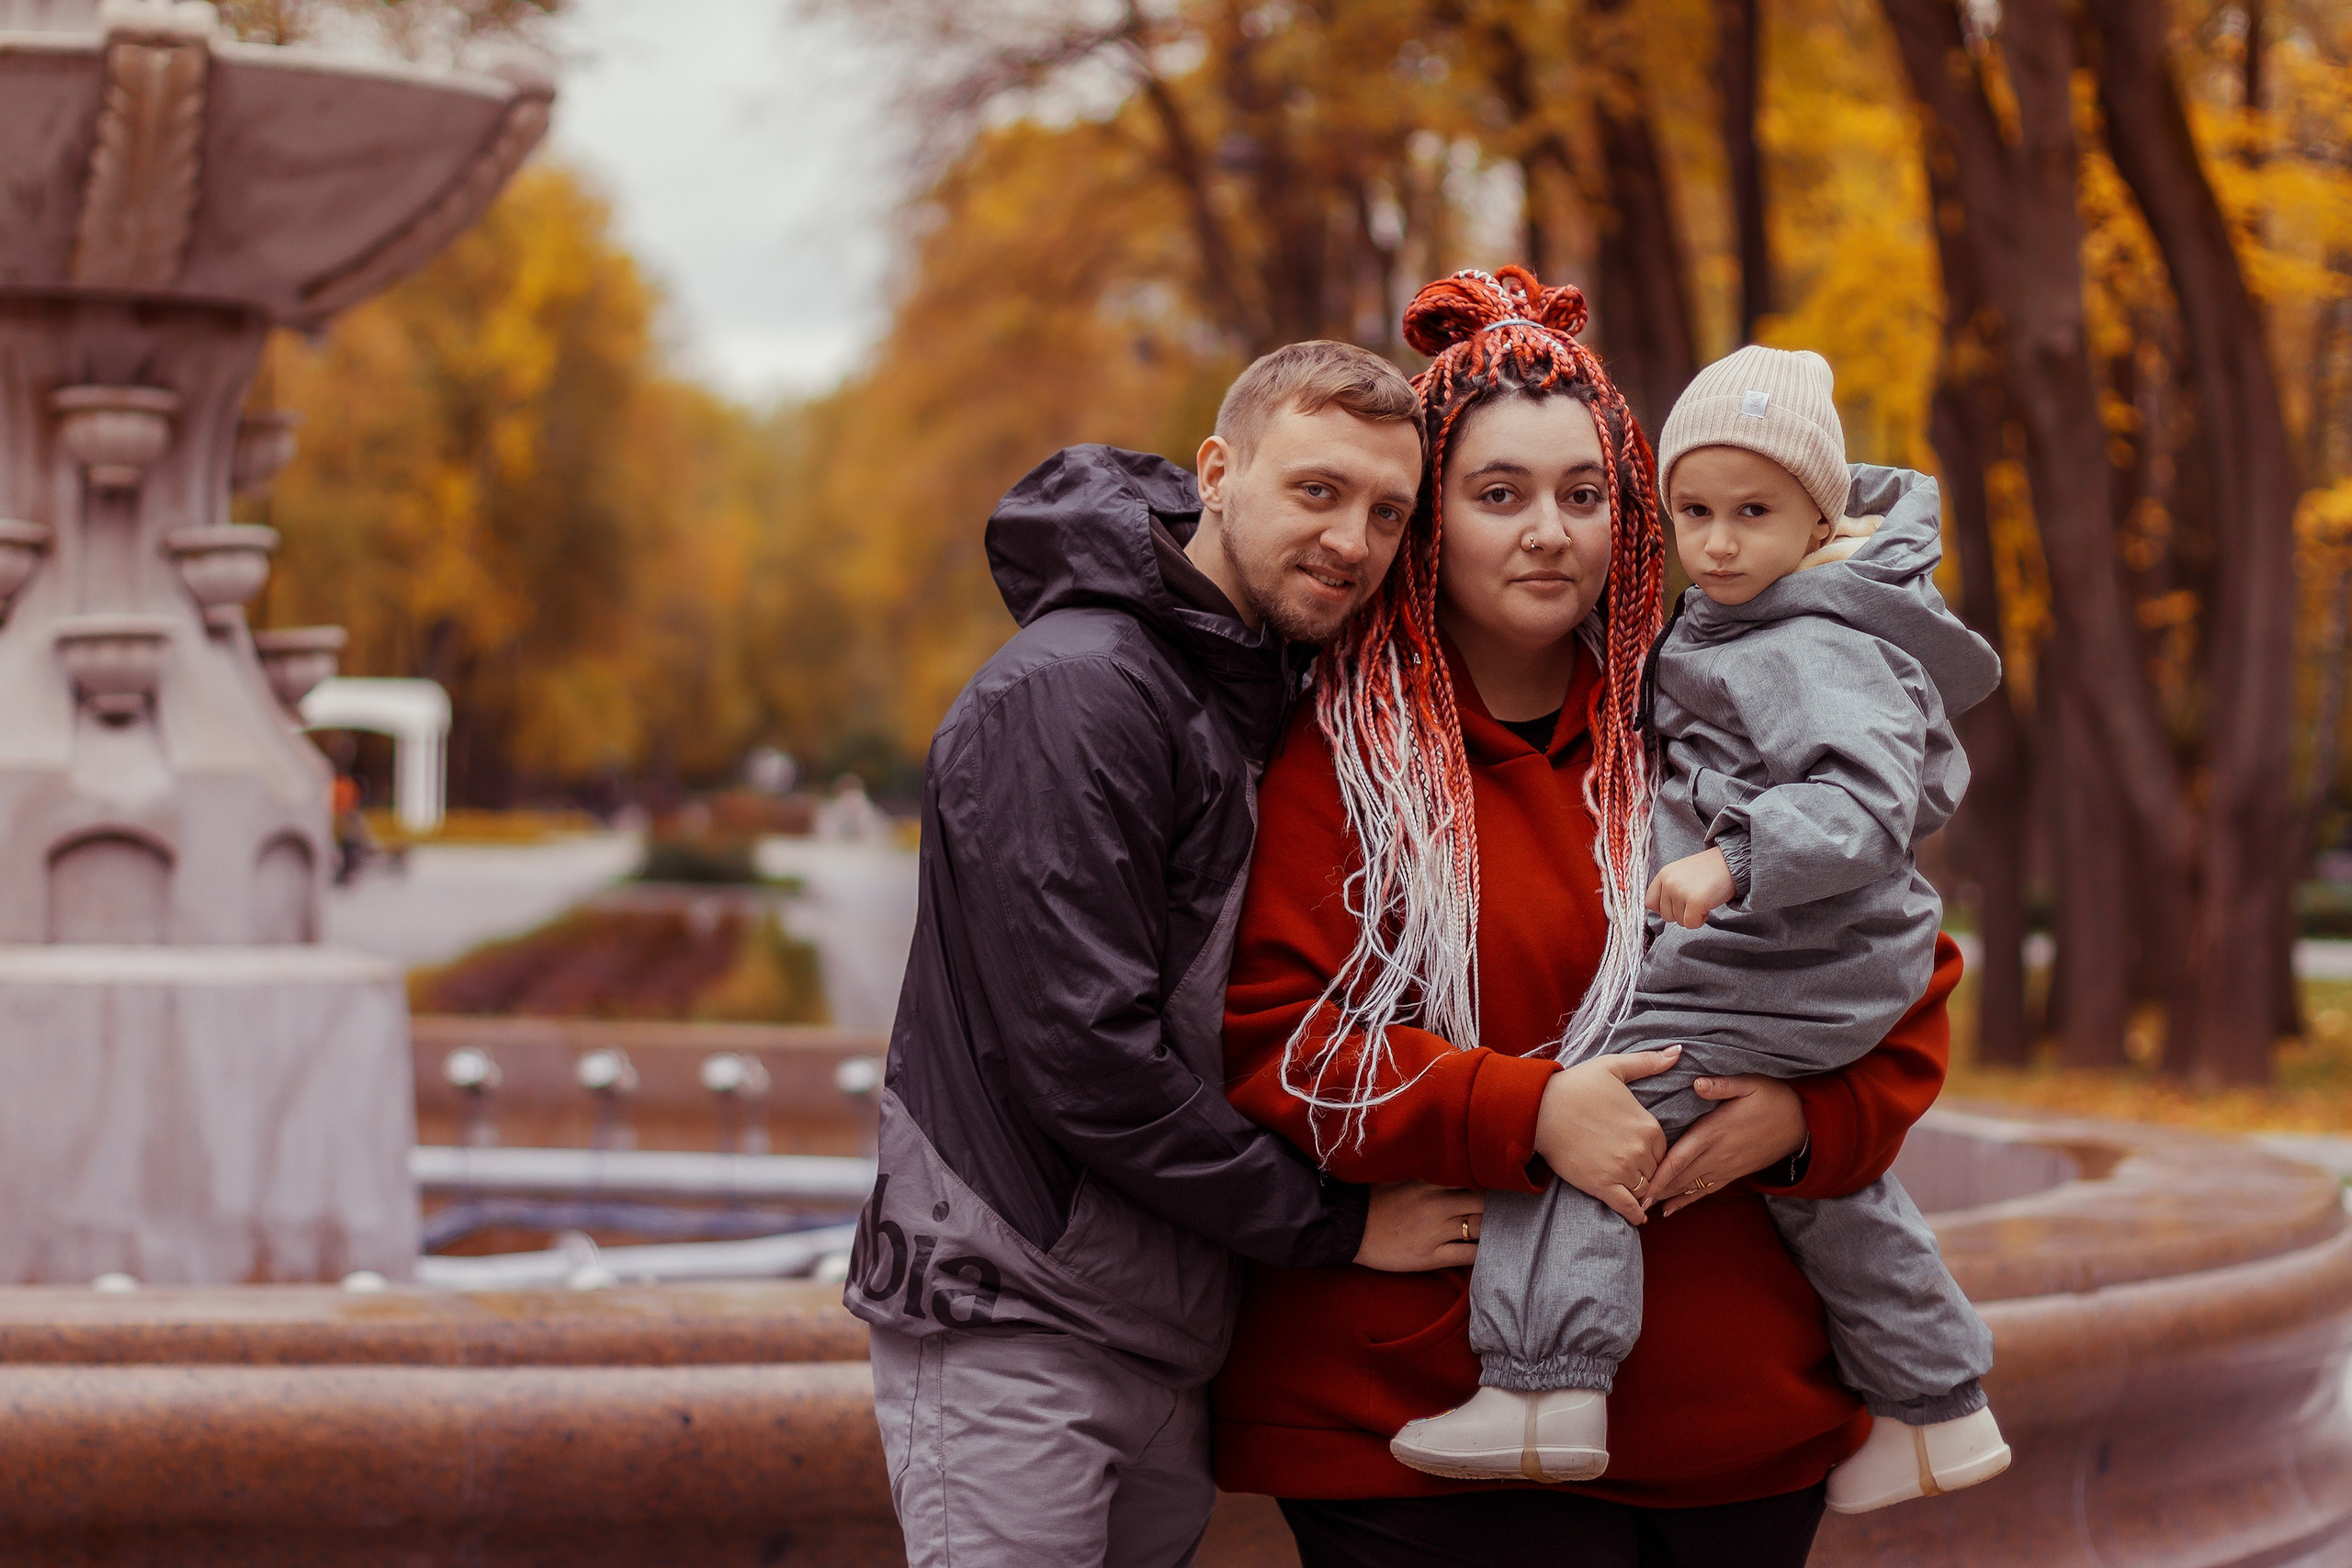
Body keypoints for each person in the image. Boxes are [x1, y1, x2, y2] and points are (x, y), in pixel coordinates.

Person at [1218, 268, 1965, 1568]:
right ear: (1429, 519)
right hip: (1415, 1425)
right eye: (1498, 493)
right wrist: (1527, 1107)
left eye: (1585, 494)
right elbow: (1281, 1038)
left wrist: (1805, 1121)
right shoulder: (1340, 756)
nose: (1548, 531)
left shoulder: (1721, 717)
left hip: (1736, 1420)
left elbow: (1894, 963)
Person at [846, 341, 1484, 1568]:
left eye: (1388, 511)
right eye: (1317, 490)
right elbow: (1087, 1055)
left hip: (1161, 1320)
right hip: (1013, 1318)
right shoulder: (1077, 691)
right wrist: (1337, 1225)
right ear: (1218, 471)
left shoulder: (1260, 693)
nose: (1353, 538)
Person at [1391, 344, 2008, 1512]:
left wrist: (1733, 862)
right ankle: (1936, 1406)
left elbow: (1865, 802)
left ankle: (1545, 1386)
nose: (1718, 544)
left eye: (1754, 514)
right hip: (1813, 959)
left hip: (1783, 951)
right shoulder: (1751, 624)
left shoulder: (1809, 639)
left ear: (1820, 518)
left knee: (1592, 1115)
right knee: (1831, 1196)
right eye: (1693, 513)